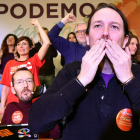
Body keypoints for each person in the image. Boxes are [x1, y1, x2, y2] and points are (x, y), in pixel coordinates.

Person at [29, 3, 140, 140]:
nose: (105, 33)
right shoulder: (71, 71)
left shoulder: (137, 72)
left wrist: (129, 79)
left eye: (114, 26)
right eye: (98, 25)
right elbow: (36, 124)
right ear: (87, 38)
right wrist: (80, 81)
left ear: (125, 41)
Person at [0, 19, 50, 115]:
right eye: (18, 44)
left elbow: (46, 43)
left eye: (24, 43)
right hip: (13, 103)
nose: (21, 46)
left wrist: (37, 25)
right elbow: (6, 87)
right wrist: (2, 106)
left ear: (31, 47)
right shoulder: (10, 64)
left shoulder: (34, 60)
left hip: (33, 102)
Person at [1, 67, 60, 139]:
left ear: (34, 87)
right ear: (13, 90)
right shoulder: (10, 108)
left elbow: (56, 135)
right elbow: (3, 133)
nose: (25, 85)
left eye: (29, 81)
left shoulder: (44, 107)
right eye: (19, 82)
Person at [0, 34, 17, 99]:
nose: (10, 39)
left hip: (14, 79)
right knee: (2, 98)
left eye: (12, 38)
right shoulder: (2, 52)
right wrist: (0, 57)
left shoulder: (18, 53)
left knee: (12, 98)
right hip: (2, 78)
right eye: (8, 38)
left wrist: (15, 54)